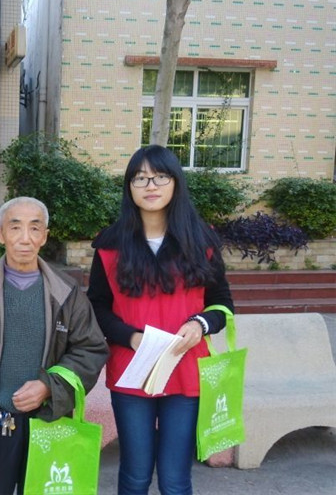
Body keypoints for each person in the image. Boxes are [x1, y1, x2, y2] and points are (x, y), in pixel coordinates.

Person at [86, 145, 235, 495]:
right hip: (132, 370)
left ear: (176, 182)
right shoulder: (110, 244)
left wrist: (200, 324)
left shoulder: (202, 240)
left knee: (175, 479)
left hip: (185, 371)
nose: (150, 185)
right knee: (135, 475)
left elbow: (222, 303)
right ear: (129, 187)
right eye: (140, 178)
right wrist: (131, 338)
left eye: (160, 177)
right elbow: (97, 307)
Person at [0, 196, 108, 495]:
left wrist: (49, 386)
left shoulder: (67, 293)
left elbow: (91, 350)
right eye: (15, 227)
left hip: (48, 420)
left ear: (44, 236)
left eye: (35, 228)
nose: (25, 238)